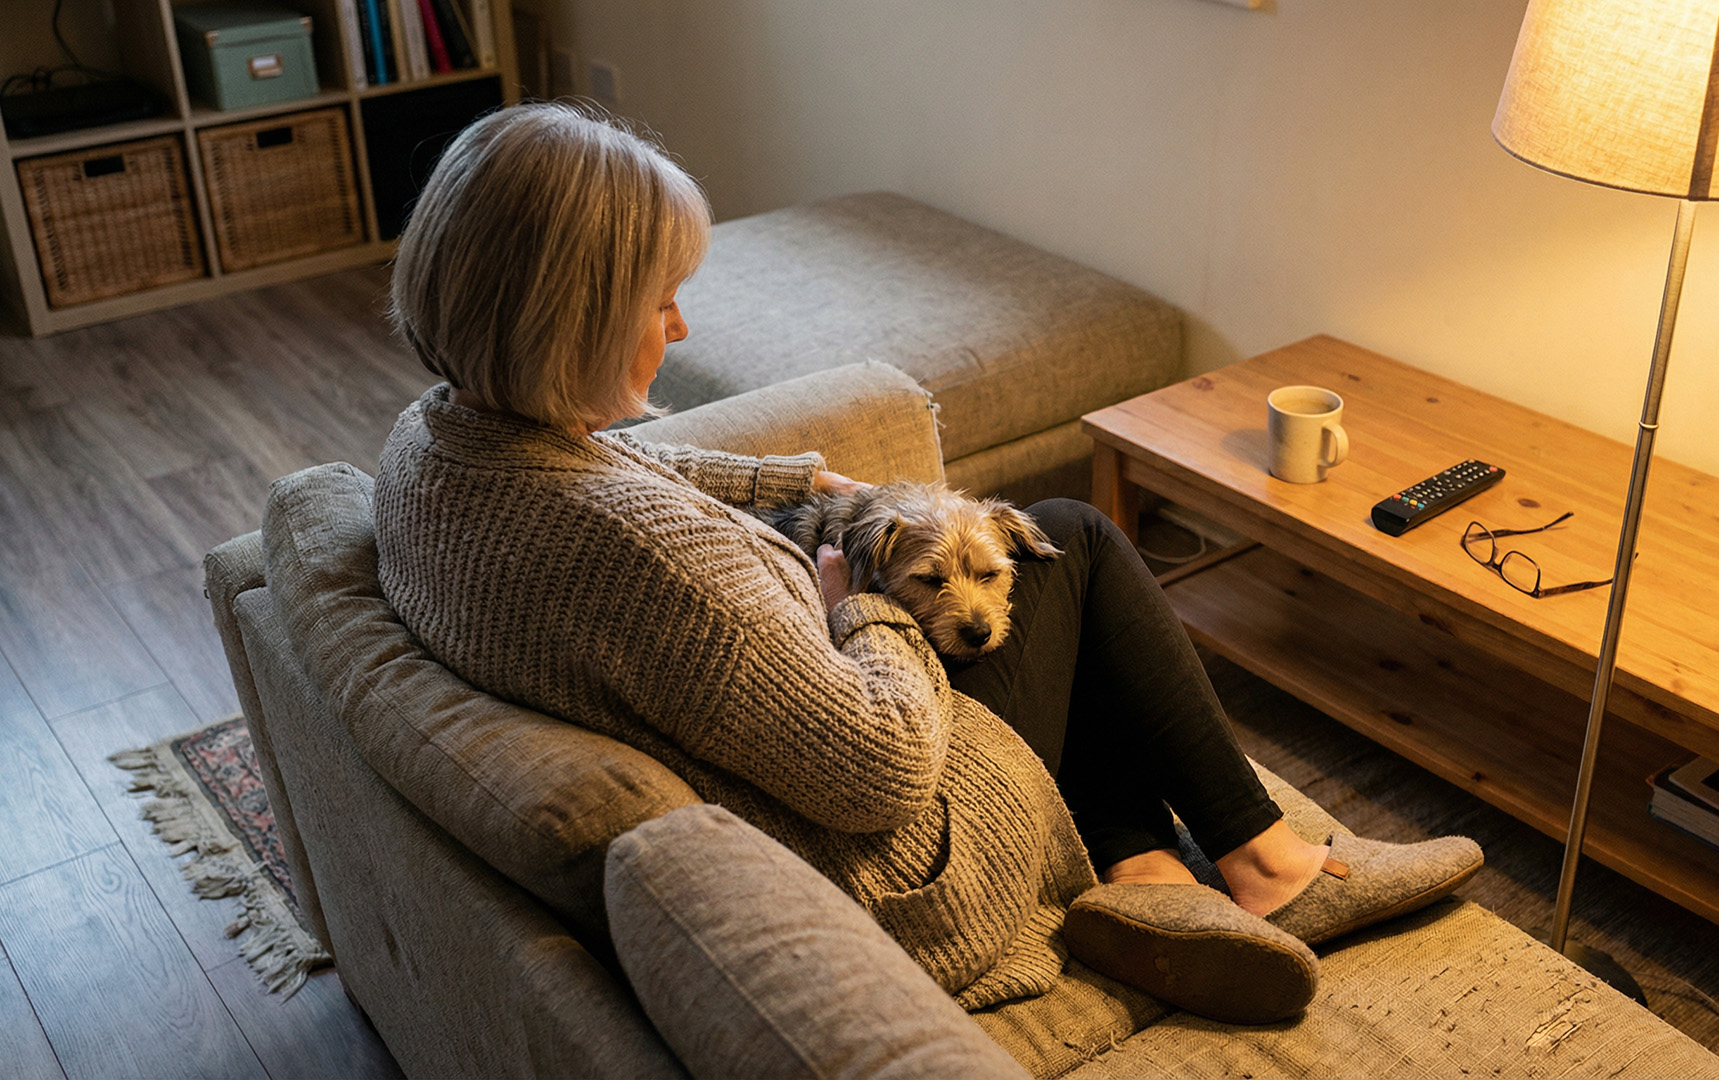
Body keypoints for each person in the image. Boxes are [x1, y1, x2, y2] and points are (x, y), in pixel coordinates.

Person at [374, 101, 1481, 1024]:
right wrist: (859, 607)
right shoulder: (634, 554)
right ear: (564, 315)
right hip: (920, 866)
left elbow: (608, 466)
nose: (682, 327)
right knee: (1076, 539)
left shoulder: (436, 444)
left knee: (1039, 580)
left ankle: (1144, 874)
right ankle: (1272, 869)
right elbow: (880, 774)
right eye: (656, 300)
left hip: (797, 770)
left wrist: (790, 485)